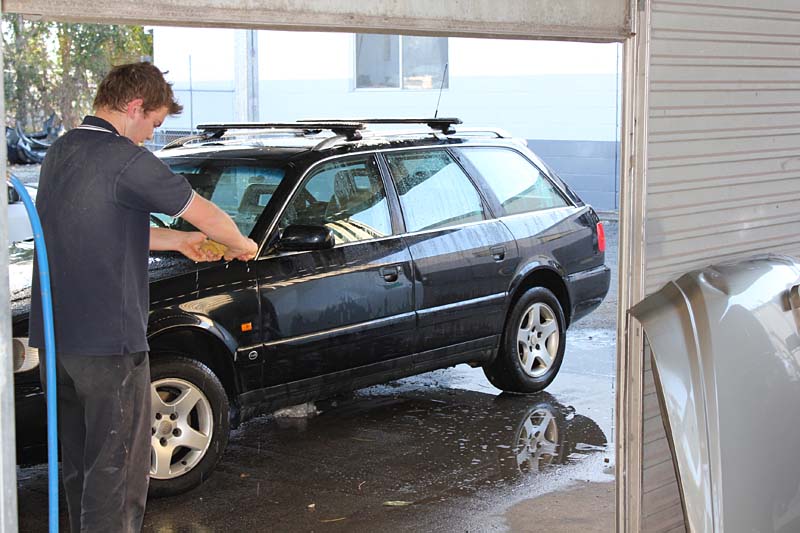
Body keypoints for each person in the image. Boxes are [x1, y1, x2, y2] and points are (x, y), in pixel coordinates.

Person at [27, 62, 258, 533]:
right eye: (153, 122)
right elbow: (205, 213)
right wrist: (241, 244)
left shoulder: (61, 151)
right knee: (117, 469)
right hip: (109, 344)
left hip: (56, 340)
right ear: (134, 107)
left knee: (82, 463)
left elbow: (103, 224)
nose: (151, 135)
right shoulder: (125, 159)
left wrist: (179, 242)